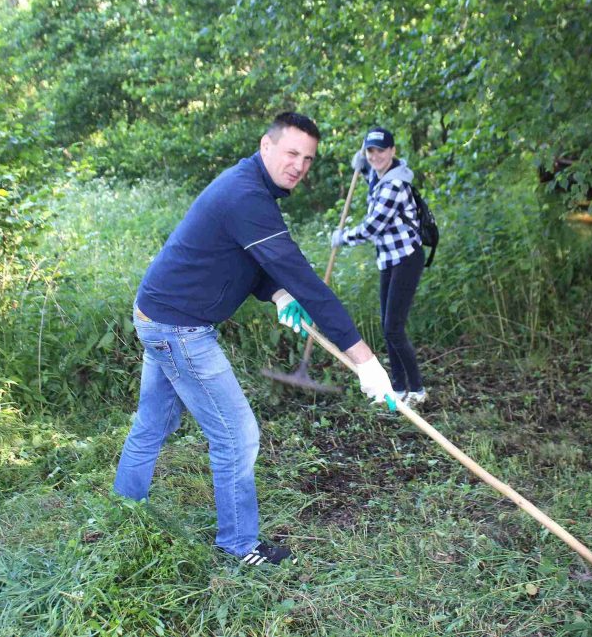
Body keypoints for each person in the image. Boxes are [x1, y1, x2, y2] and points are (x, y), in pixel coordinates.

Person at [114, 112, 395, 567]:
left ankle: (122, 512)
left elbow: (246, 261)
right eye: (291, 153)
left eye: (308, 158)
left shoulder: (250, 186)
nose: (300, 165)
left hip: (157, 314)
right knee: (237, 436)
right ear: (266, 146)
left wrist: (276, 292)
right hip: (178, 328)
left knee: (154, 423)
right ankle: (240, 547)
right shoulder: (246, 195)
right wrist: (364, 360)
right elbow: (307, 280)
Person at [331, 127, 426, 406]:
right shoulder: (379, 174)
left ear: (393, 151)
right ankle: (397, 389)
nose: (375, 156)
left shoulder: (395, 185)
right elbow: (370, 173)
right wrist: (360, 166)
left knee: (393, 328)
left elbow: (372, 228)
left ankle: (417, 390)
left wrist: (342, 237)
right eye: (370, 151)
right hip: (389, 259)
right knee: (389, 327)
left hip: (406, 258)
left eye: (380, 151)